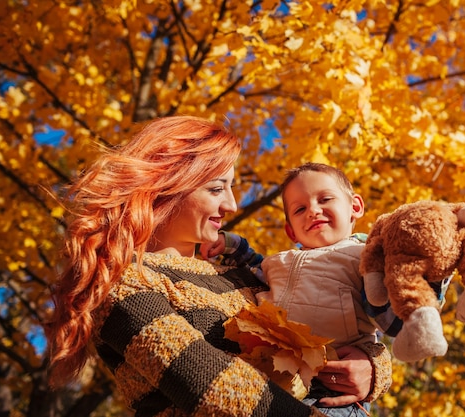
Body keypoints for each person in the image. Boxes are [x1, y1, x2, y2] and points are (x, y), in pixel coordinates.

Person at [44, 116, 392, 417]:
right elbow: (215, 391)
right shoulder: (124, 282)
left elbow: (318, 326)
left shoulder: (236, 273)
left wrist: (372, 366)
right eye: (216, 188)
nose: (232, 204)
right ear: (165, 186)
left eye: (232, 187)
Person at [203, 163, 445, 416]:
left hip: (331, 390)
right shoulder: (280, 261)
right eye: (300, 209)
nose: (313, 211)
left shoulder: (364, 259)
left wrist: (429, 281)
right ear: (290, 230)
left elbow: (391, 319)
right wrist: (229, 244)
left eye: (325, 199)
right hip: (271, 377)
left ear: (355, 206)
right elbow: (252, 266)